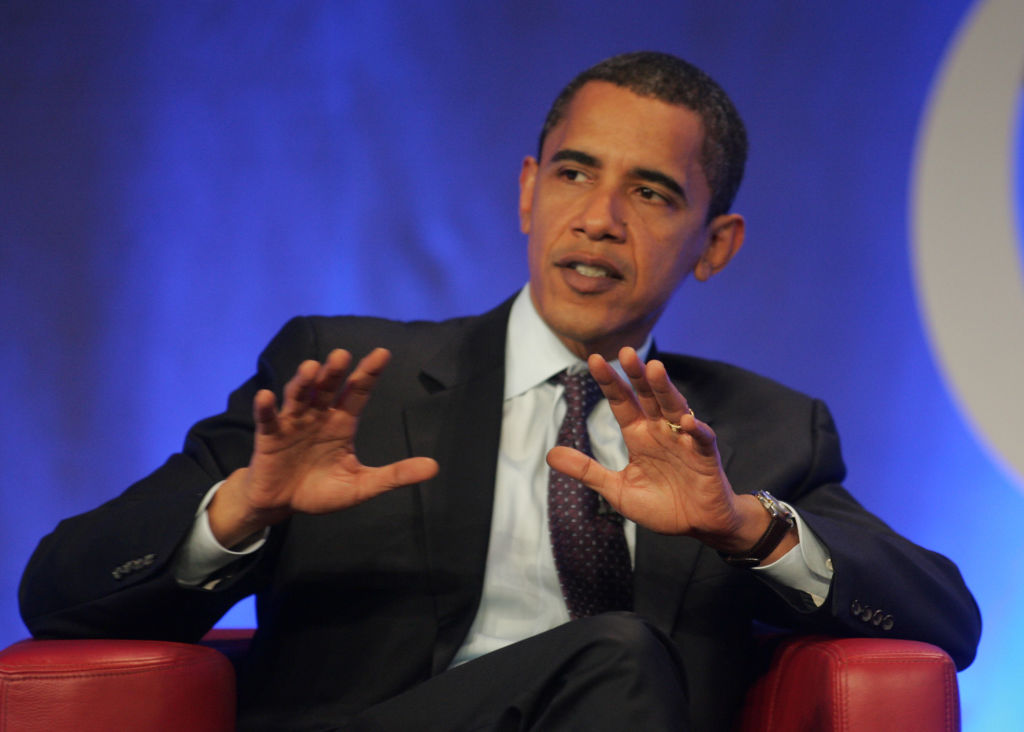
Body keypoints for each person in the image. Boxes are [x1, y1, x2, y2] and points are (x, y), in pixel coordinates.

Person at [19, 52, 980, 731]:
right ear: (528, 192)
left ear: (715, 246)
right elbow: (57, 593)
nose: (598, 220)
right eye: (574, 173)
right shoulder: (347, 382)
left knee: (620, 660)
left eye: (651, 193)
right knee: (620, 652)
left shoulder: (755, 433)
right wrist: (242, 509)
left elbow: (949, 623)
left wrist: (747, 527)